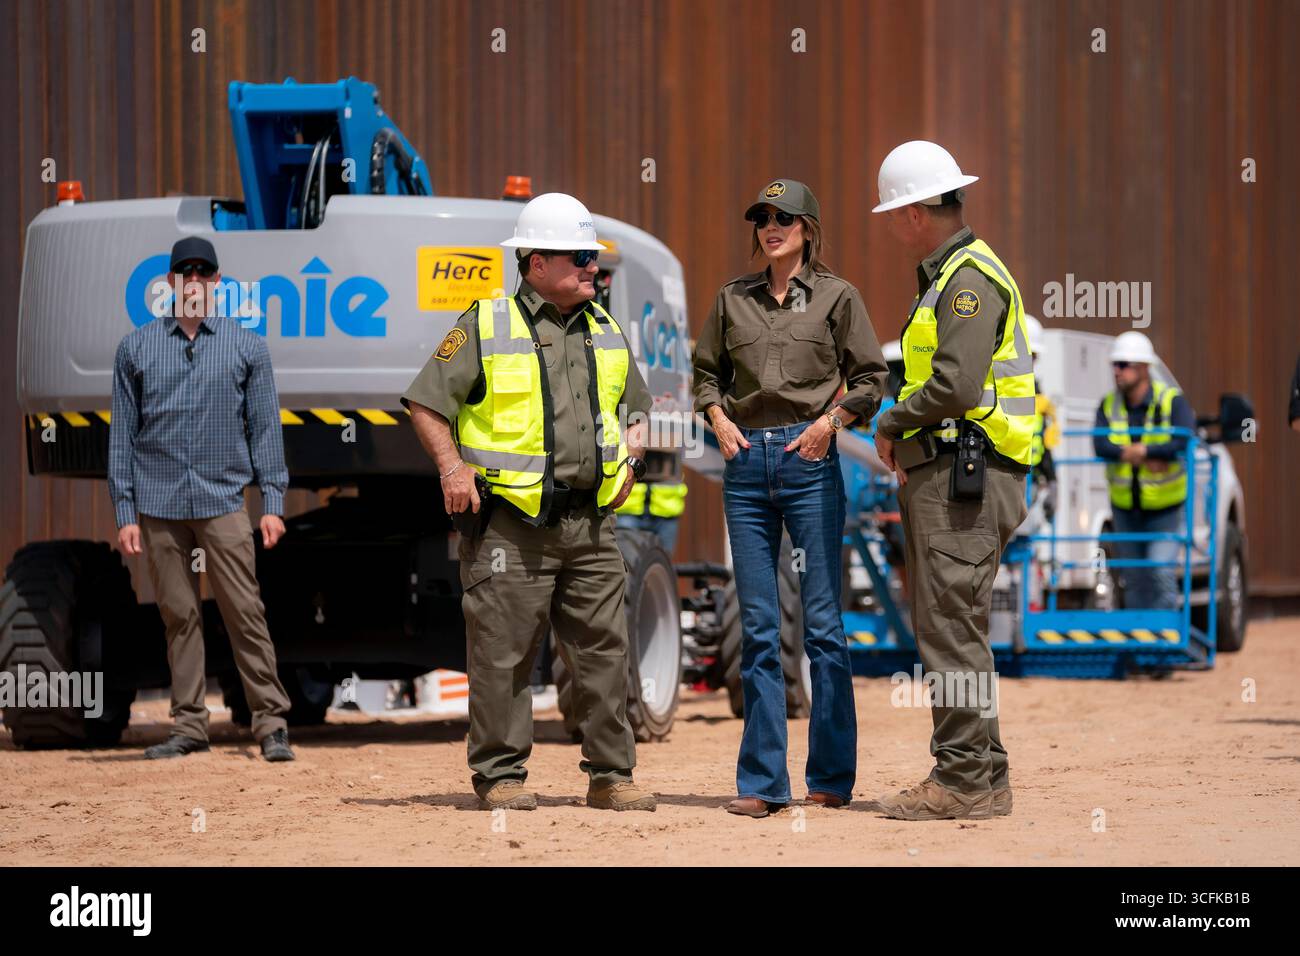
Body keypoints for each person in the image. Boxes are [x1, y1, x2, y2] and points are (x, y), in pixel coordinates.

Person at [403, 192, 657, 812]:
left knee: (604, 652)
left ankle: (611, 777)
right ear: (536, 261)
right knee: (503, 655)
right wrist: (451, 467)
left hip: (591, 524)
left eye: (592, 256)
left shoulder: (606, 327)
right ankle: (500, 776)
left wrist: (633, 455)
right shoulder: (486, 323)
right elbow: (425, 401)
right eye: (578, 256)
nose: (591, 267)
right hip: (510, 528)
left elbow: (637, 407)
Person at [693, 179, 888, 818]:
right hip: (746, 465)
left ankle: (830, 777)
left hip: (809, 461)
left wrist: (829, 426)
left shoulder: (838, 297)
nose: (770, 227)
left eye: (782, 218)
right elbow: (704, 375)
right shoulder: (732, 299)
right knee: (758, 628)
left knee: (825, 628)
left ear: (807, 227)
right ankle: (762, 784)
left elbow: (870, 379)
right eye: (762, 218)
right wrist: (718, 420)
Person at [869, 141, 1033, 820]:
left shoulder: (965, 280)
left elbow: (956, 385)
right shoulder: (960, 273)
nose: (887, 225)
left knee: (948, 631)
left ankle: (962, 781)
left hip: (963, 475)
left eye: (891, 212)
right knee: (958, 626)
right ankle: (983, 777)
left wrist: (889, 421)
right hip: (969, 474)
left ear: (913, 212)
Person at [109, 236, 294, 762]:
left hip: (223, 503)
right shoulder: (137, 348)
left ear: (217, 282)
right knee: (179, 616)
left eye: (203, 273)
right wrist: (125, 511)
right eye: (184, 273)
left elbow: (264, 430)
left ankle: (271, 725)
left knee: (244, 612)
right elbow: (122, 435)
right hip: (160, 508)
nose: (194, 281)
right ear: (170, 283)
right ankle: (190, 726)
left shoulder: (246, 346)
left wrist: (273, 502)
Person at [1093, 330, 1195, 611]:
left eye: (1124, 365)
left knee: (1160, 573)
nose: (1117, 371)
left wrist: (1147, 451)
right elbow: (1100, 444)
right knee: (1134, 578)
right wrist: (1136, 453)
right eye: (1115, 365)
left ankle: (1163, 643)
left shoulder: (1171, 400)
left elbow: (1185, 438)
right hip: (1126, 508)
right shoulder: (1108, 404)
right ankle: (1140, 644)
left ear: (1144, 368)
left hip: (1165, 508)